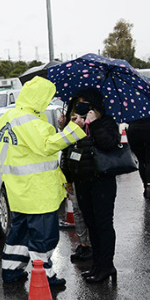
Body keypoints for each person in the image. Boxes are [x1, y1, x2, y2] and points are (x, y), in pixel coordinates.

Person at [0, 76, 87, 288]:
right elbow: (47, 146)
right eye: (47, 97)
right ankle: (44, 276)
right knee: (43, 237)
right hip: (37, 192)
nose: (48, 102)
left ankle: (11, 270)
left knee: (19, 234)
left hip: (19, 191)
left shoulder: (9, 116)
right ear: (38, 97)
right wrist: (74, 129)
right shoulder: (30, 121)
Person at [63, 88, 121, 284]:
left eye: (85, 102)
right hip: (82, 181)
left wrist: (94, 123)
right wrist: (68, 127)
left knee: (104, 225)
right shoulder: (76, 124)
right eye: (78, 101)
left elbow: (109, 144)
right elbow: (68, 151)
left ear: (94, 104)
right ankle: (97, 264)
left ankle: (107, 266)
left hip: (102, 182)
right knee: (92, 225)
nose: (81, 105)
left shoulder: (106, 122)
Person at [57, 107, 93, 263]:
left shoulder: (94, 118)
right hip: (74, 173)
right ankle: (83, 243)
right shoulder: (71, 112)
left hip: (90, 175)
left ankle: (91, 245)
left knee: (89, 211)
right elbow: (65, 152)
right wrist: (64, 127)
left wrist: (85, 126)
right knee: (77, 210)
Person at [125, 114, 150, 200]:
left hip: (134, 128)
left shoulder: (131, 101)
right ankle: (149, 186)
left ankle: (145, 185)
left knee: (141, 160)